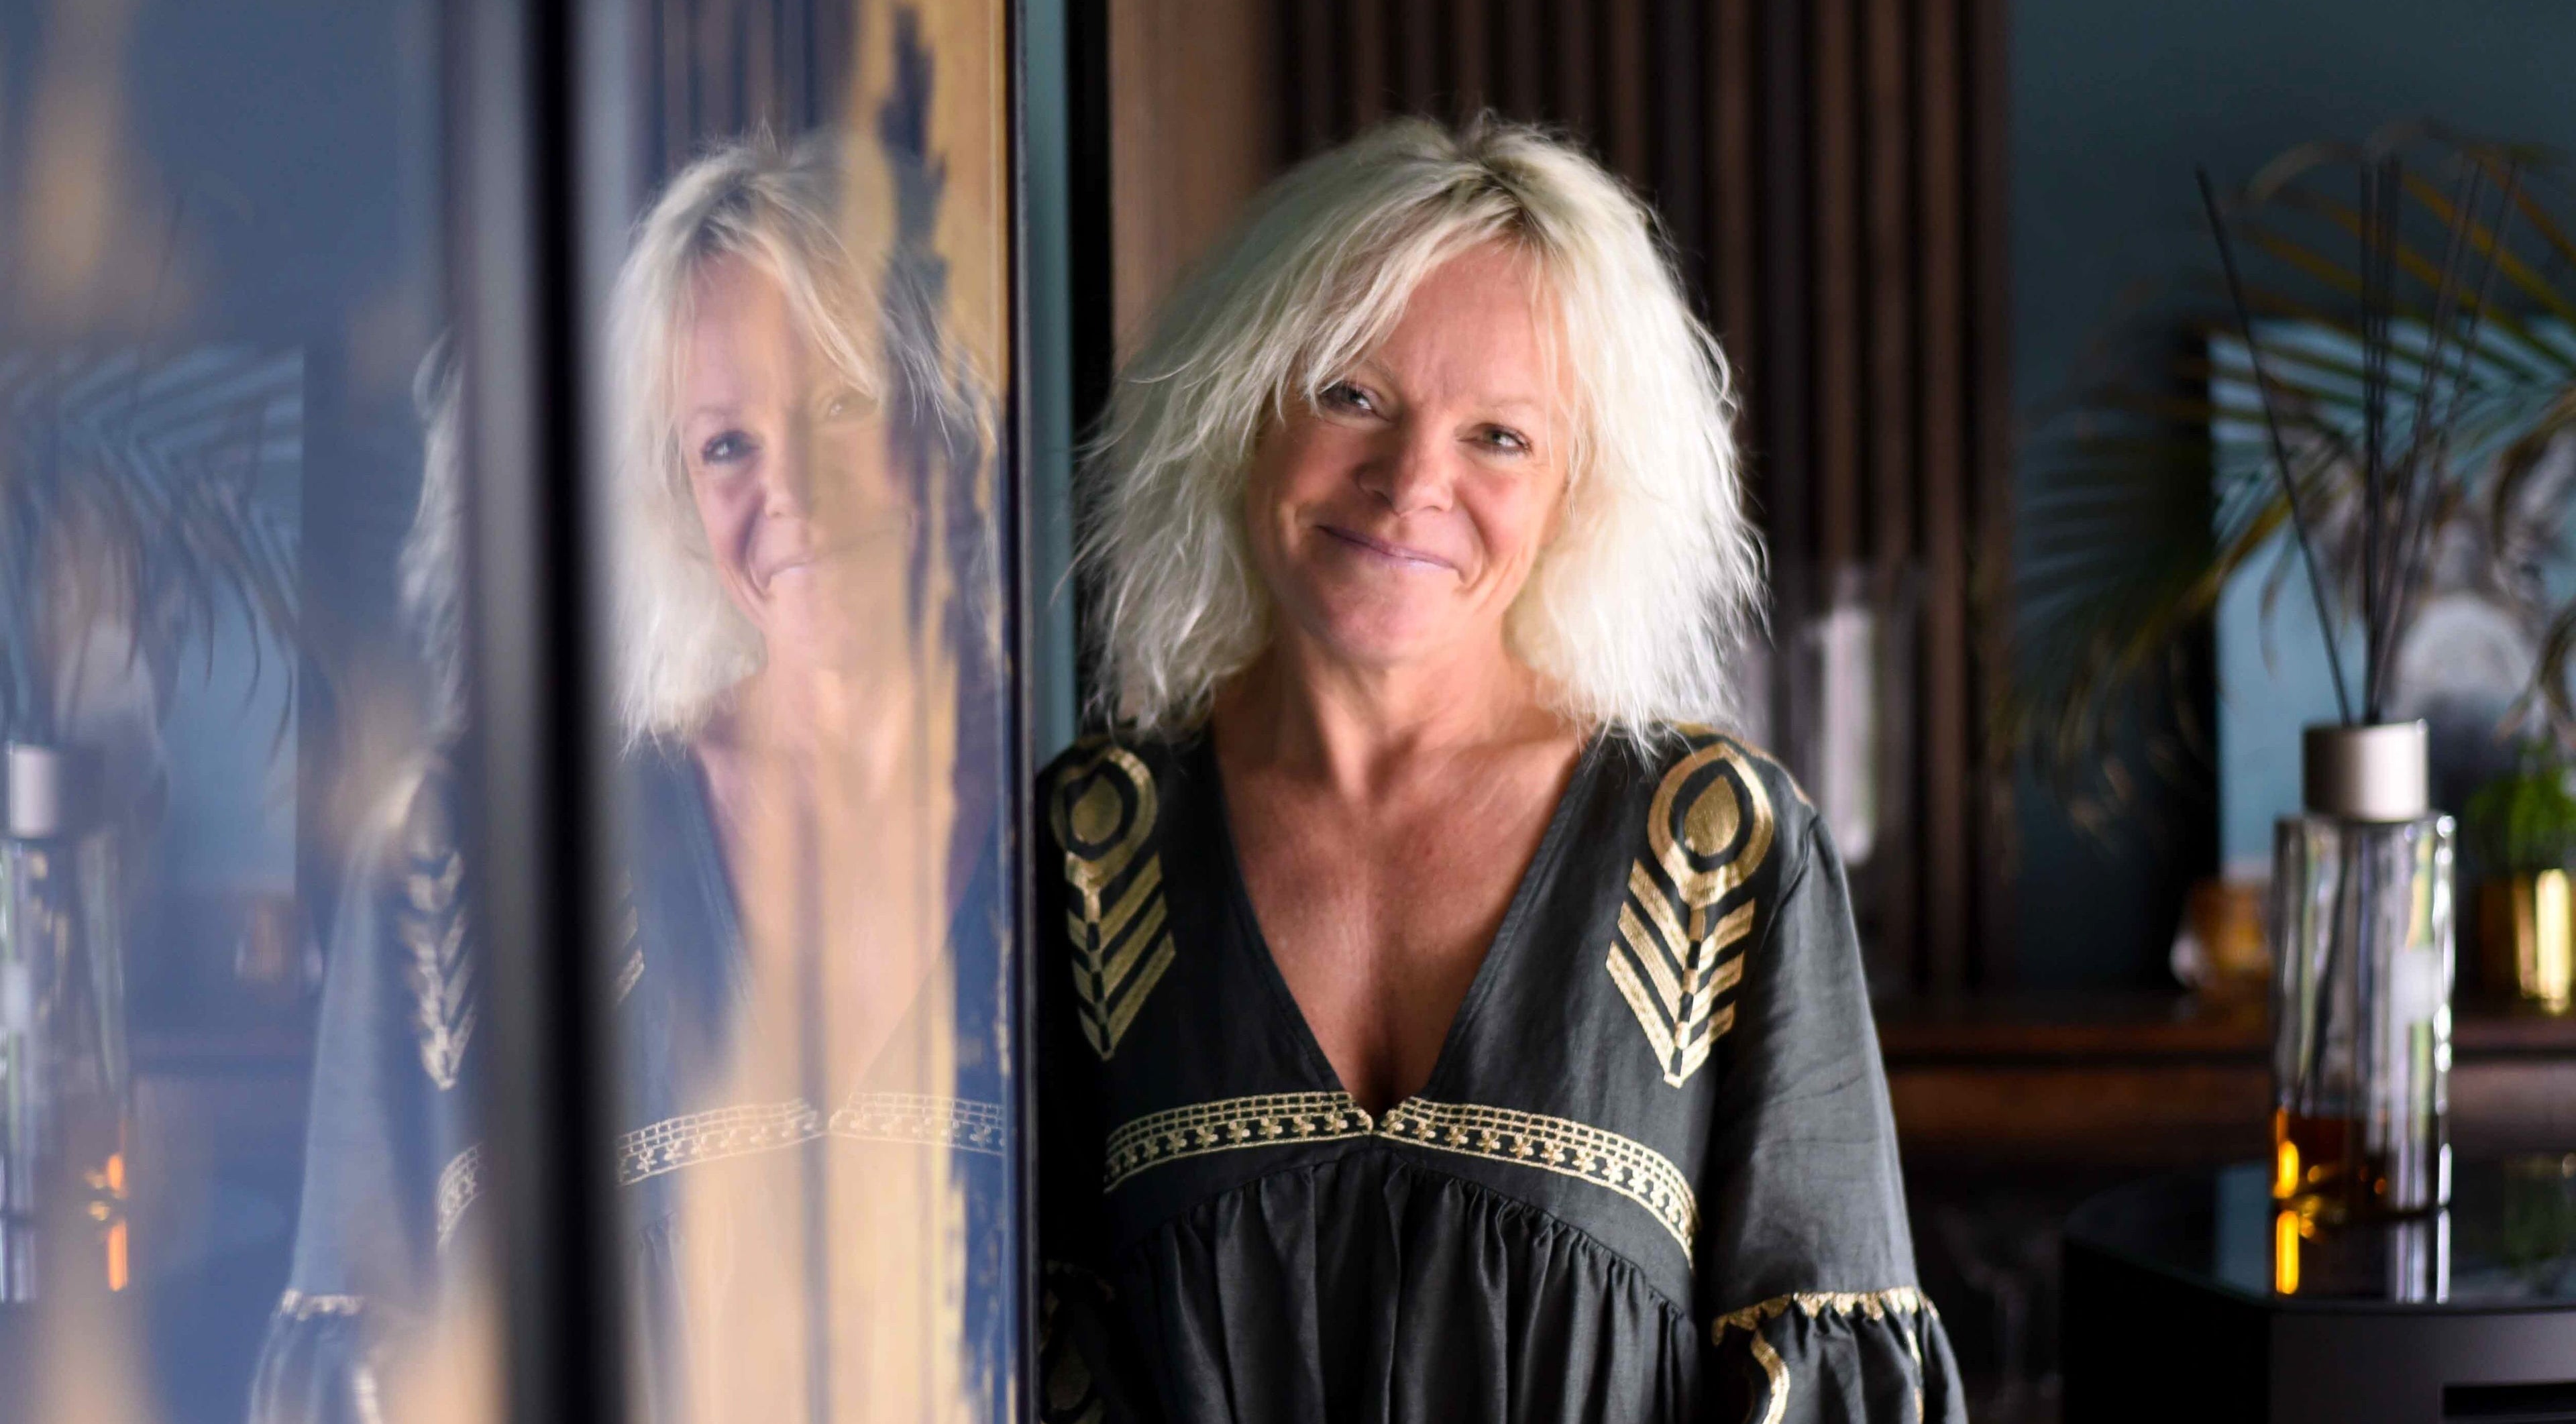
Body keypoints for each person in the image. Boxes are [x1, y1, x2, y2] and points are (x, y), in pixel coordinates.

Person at [1034, 115, 1960, 1423]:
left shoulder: (1717, 847)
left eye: (1500, 437)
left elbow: (1826, 1379)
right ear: (1241, 403)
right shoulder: (1090, 846)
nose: (1413, 480)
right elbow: (1018, 1345)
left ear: (1578, 488)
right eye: (1351, 392)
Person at [251, 130, 1013, 1423]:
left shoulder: (1091, 829)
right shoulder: (482, 848)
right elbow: (360, 1352)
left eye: (842, 403)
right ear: (669, 490)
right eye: (726, 446)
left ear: (939, 418)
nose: (797, 496)